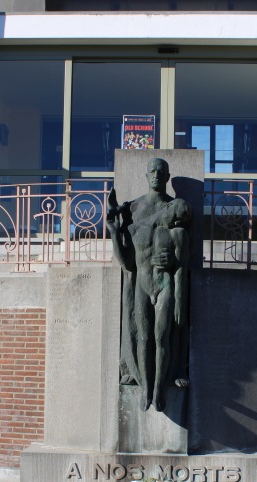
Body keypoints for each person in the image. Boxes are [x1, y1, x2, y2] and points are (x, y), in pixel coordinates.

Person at [107, 158, 192, 412]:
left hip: (164, 284)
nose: (156, 175)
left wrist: (179, 297)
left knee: (162, 336)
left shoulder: (177, 226)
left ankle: (158, 387)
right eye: (152, 171)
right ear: (146, 175)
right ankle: (145, 386)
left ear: (167, 177)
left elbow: (180, 268)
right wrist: (113, 232)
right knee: (143, 336)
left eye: (161, 172)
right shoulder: (133, 211)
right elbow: (127, 263)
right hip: (141, 283)